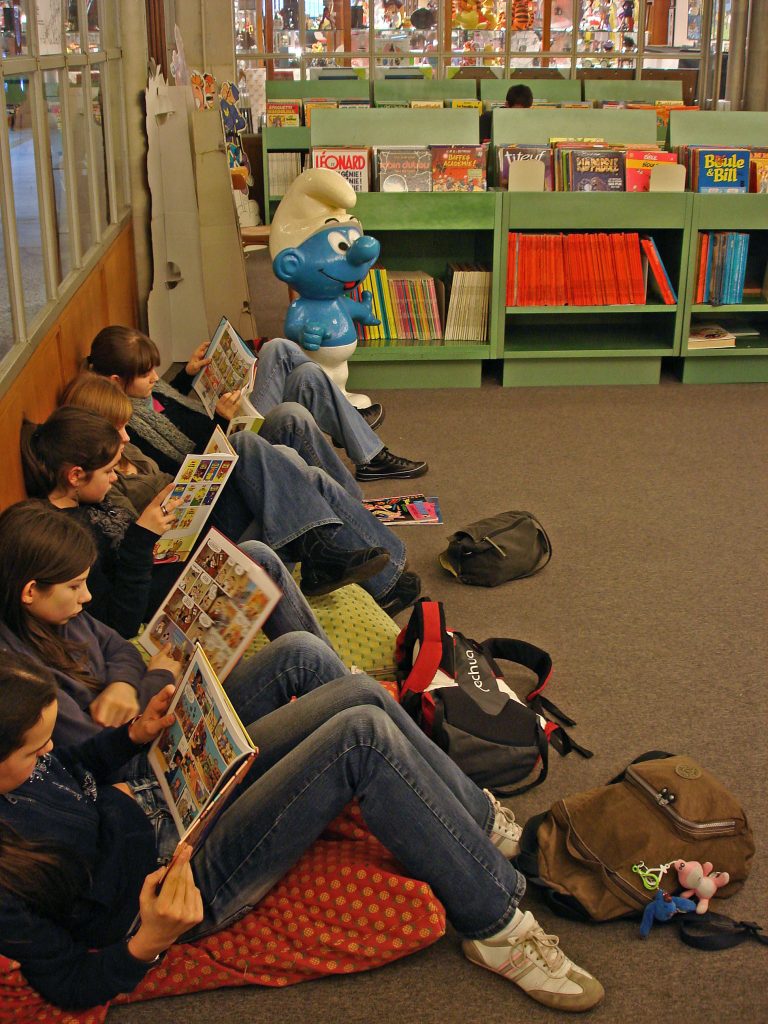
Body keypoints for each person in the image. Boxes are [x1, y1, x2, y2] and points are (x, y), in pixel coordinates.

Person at [0, 649, 605, 1013]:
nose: (50, 750)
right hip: (177, 884)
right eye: (33, 751)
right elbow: (66, 985)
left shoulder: (29, 760)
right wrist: (149, 942)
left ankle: (473, 821)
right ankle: (497, 926)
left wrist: (128, 739)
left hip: (163, 802)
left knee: (333, 675)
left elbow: (71, 770)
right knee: (361, 738)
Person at [22, 402, 420, 624]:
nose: (113, 478)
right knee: (292, 473)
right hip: (174, 586)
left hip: (174, 551)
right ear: (75, 475)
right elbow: (124, 618)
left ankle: (328, 556)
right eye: (108, 471)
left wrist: (167, 512)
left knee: (257, 454)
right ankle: (340, 563)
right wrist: (144, 536)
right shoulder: (65, 537)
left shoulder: (86, 499)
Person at [0, 501, 350, 744]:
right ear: (31, 591)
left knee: (258, 563)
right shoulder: (24, 678)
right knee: (306, 656)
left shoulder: (58, 616)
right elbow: (108, 746)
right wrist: (156, 678)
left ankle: (344, 690)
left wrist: (123, 684)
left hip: (164, 702)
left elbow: (117, 646)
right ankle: (348, 700)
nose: (87, 596)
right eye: (75, 586)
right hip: (161, 738)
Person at [88, 325, 427, 483]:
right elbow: (191, 467)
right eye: (145, 373)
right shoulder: (126, 425)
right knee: (284, 368)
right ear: (117, 381)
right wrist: (223, 421)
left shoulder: (142, 394)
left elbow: (169, 407)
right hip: (231, 446)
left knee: (297, 365)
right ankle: (352, 429)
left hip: (224, 422)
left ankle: (365, 449)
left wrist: (188, 376)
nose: (154, 376)